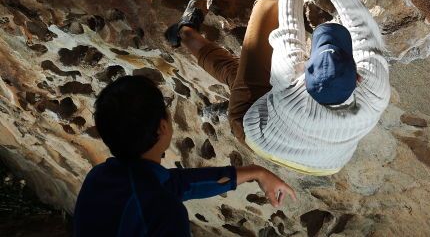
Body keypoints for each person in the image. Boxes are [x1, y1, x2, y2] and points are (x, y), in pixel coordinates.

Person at [165, 0, 391, 175]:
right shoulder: (374, 87)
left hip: (256, 133)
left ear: (304, 71)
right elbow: (357, 17)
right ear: (358, 75)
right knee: (240, 75)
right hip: (323, 162)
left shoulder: (291, 80)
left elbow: (290, 22)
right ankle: (184, 36)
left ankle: (184, 33)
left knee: (267, 7)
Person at [73, 75, 295, 237]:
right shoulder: (164, 211)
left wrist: (257, 173)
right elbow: (166, 192)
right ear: (162, 127)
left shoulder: (99, 178)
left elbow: (180, 184)